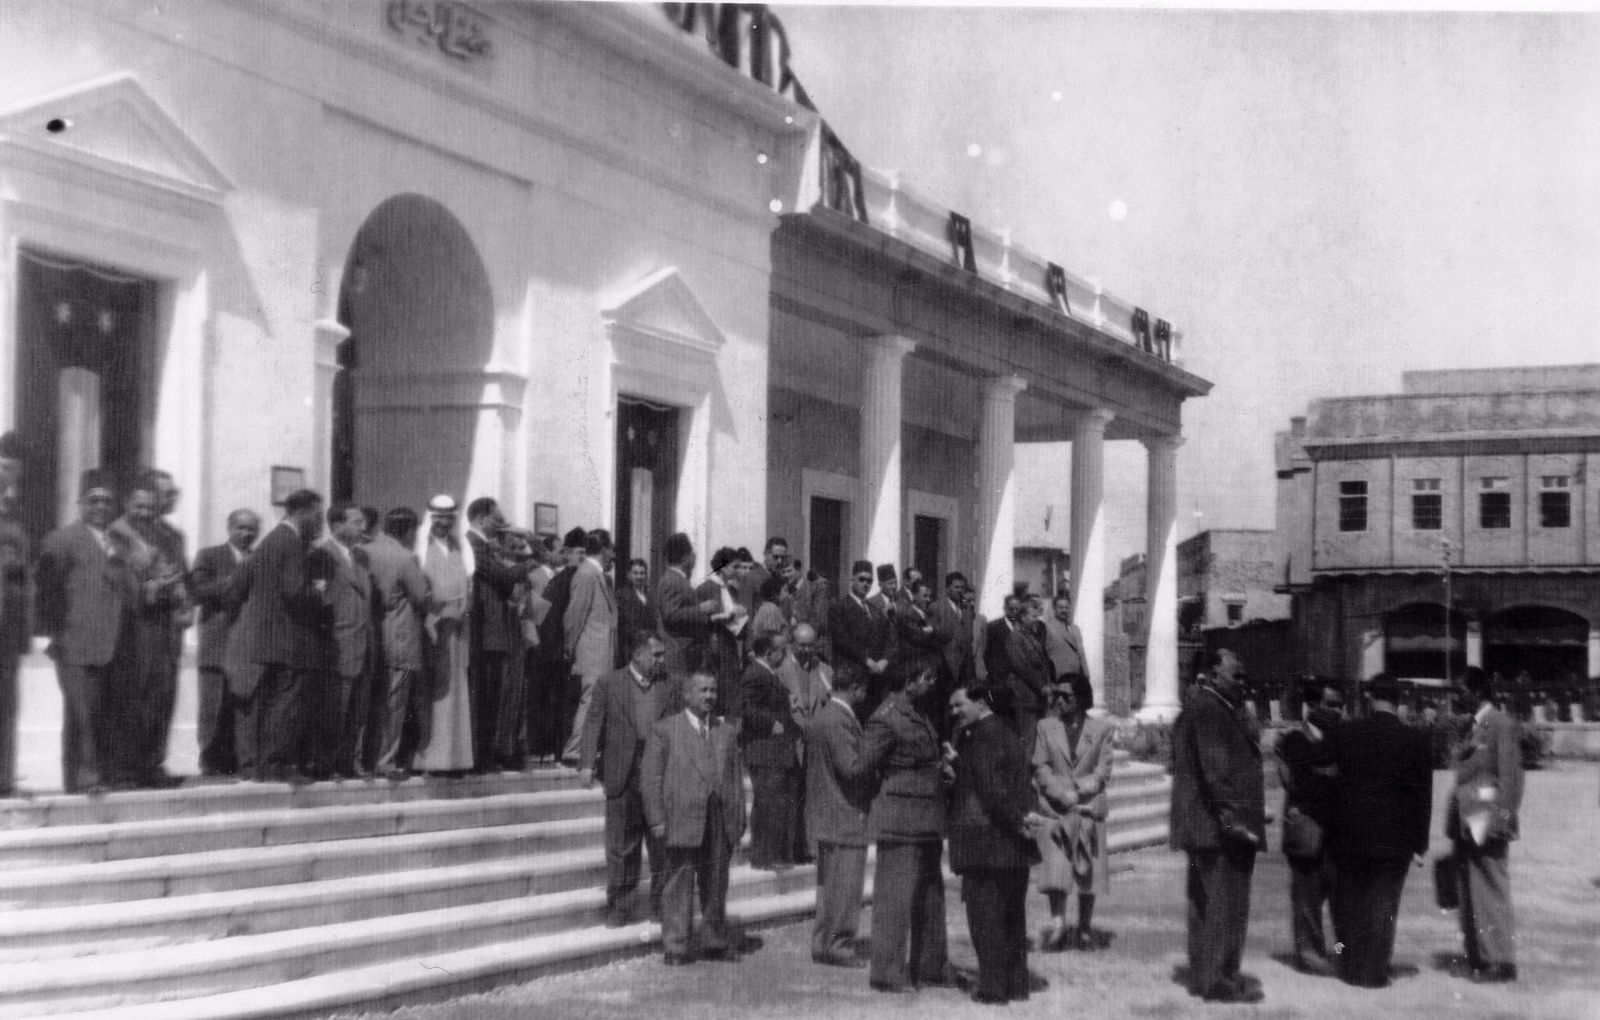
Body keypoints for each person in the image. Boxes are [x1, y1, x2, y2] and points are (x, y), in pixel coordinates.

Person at [1169, 647, 1266, 1004]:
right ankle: (1218, 981)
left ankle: (1210, 976)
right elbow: (1215, 771)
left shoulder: (1220, 707)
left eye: (1243, 675)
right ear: (1211, 675)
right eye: (1235, 674)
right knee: (1221, 905)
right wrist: (1235, 819)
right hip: (1219, 830)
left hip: (1211, 828)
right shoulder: (1209, 710)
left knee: (1211, 904)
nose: (1242, 681)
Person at [1324, 673, 1433, 988]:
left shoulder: (1346, 733)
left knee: (1350, 903)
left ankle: (1350, 964)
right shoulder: (1414, 739)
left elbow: (1330, 781)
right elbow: (1421, 797)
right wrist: (1419, 843)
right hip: (1394, 838)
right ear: (1400, 701)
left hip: (1350, 834)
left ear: (1370, 698)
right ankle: (1374, 970)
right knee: (1383, 906)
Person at [35, 469, 140, 792]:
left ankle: (101, 775)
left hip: (115, 645)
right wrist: (54, 635)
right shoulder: (63, 539)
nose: (101, 507)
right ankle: (84, 779)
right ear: (81, 504)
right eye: (94, 500)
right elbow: (46, 590)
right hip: (76, 642)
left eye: (108, 502)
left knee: (105, 714)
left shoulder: (122, 543)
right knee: (82, 715)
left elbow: (129, 591)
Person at [948, 681, 1044, 1005]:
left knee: (986, 919)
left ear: (979, 703)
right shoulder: (1005, 731)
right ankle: (1016, 984)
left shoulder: (983, 737)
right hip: (1012, 846)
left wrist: (1016, 820)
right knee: (1013, 919)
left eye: (960, 705)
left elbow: (991, 791)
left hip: (989, 843)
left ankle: (993, 988)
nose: (955, 712)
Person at [641, 671, 747, 966]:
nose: (709, 696)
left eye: (713, 690)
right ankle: (675, 946)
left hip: (718, 818)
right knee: (678, 883)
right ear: (686, 695)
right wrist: (656, 820)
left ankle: (714, 940)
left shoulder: (726, 732)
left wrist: (738, 818)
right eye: (702, 691)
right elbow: (650, 780)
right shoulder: (665, 730)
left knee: (716, 883)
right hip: (681, 817)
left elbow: (735, 780)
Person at [226, 487, 330, 784]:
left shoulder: (271, 540)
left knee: (275, 704)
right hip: (285, 638)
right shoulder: (289, 541)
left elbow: (242, 584)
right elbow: (295, 590)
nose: (320, 523)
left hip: (270, 638)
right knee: (285, 704)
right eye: (317, 516)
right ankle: (277, 765)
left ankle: (270, 764)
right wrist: (319, 593)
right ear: (303, 512)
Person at [861, 657, 949, 993]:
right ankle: (887, 972)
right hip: (900, 818)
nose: (931, 683)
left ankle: (931, 967)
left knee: (931, 897)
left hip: (926, 816)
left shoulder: (919, 711)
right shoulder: (886, 718)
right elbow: (861, 767)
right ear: (908, 681)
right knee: (895, 899)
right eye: (927, 677)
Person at [579, 633, 677, 926]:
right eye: (656, 655)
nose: (662, 660)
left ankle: (661, 905)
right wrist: (586, 764)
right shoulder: (610, 683)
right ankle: (621, 904)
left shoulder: (669, 686)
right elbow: (594, 721)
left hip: (657, 773)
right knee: (622, 845)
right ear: (637, 655)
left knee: (661, 845)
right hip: (623, 772)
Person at [1446, 666, 1524, 984]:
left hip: (1486, 819)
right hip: (1469, 820)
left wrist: (1501, 820)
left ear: (1477, 691)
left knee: (1490, 889)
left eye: (1460, 690)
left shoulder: (1500, 724)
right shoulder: (1474, 726)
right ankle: (1480, 955)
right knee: (1471, 892)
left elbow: (1511, 778)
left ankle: (1501, 961)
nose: (1455, 696)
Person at [114, 473, 189, 787]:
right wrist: (149, 588)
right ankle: (129, 768)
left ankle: (154, 764)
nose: (147, 511)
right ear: (129, 502)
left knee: (163, 696)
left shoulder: (169, 534)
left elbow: (182, 573)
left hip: (166, 626)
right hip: (133, 627)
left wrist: (184, 600)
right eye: (141, 505)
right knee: (135, 696)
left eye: (154, 503)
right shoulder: (117, 533)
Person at [1032, 674, 1115, 952]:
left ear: (1080, 699)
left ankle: (1085, 927)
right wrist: (1059, 793)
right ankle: (1057, 925)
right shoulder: (1046, 726)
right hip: (1055, 808)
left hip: (1087, 805)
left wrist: (1078, 790)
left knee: (1086, 869)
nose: (1059, 701)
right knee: (1056, 868)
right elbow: (1040, 766)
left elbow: (1102, 771)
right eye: (1056, 695)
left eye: (1065, 696)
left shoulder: (1102, 728)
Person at [803, 666, 876, 968]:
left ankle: (824, 942)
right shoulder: (839, 720)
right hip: (844, 812)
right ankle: (839, 944)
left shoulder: (824, 715)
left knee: (829, 888)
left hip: (828, 812)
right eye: (865, 690)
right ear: (856, 687)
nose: (866, 696)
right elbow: (852, 768)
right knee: (845, 887)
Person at [1274, 680, 1343, 976]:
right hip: (1308, 832)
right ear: (1312, 705)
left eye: (1341, 705)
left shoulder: (1343, 738)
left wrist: (1321, 773)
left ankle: (1340, 952)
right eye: (1331, 704)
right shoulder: (1292, 740)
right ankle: (1310, 954)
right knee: (1307, 899)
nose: (1338, 711)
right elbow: (1298, 783)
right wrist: (1330, 775)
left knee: (1342, 902)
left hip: (1340, 833)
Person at [187, 509, 260, 778]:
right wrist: (235, 579)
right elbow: (196, 591)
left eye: (252, 528)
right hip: (217, 644)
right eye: (241, 527)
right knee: (212, 708)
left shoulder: (260, 558)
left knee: (243, 707)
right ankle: (210, 762)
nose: (246, 533)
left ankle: (243, 762)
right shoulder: (209, 555)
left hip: (247, 646)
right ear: (229, 528)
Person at [465, 497, 533, 773]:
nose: (501, 525)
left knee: (493, 699)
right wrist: (529, 562)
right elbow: (502, 577)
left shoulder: (484, 546)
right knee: (485, 699)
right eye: (497, 520)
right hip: (486, 633)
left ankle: (489, 754)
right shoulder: (474, 544)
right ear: (481, 518)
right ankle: (482, 756)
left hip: (498, 633)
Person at [365, 506, 430, 779]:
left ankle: (365, 758)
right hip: (400, 634)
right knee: (394, 703)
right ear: (408, 531)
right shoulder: (405, 558)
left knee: (370, 702)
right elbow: (422, 597)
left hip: (372, 633)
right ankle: (386, 760)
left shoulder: (365, 550)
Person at [312, 503, 376, 779]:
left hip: (363, 647)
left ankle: (350, 761)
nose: (364, 527)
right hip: (337, 646)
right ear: (336, 526)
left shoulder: (361, 558)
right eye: (357, 522)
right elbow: (318, 602)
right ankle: (328, 764)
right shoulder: (321, 556)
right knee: (333, 711)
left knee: (356, 711)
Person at [414, 495, 474, 774]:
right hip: (433, 632)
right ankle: (431, 759)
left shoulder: (457, 548)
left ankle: (455, 759)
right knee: (435, 696)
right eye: (438, 517)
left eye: (448, 517)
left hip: (458, 633)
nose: (443, 522)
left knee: (456, 694)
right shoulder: (422, 549)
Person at [735, 631, 803, 871]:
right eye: (781, 650)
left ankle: (773, 854)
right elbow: (746, 707)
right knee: (768, 803)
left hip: (776, 750)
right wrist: (769, 722)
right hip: (764, 750)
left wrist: (788, 702)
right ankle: (765, 856)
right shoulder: (755, 673)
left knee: (775, 802)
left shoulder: (767, 673)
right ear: (768, 652)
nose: (785, 654)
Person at [562, 528, 618, 765]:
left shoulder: (597, 575)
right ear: (604, 550)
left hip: (600, 652)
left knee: (596, 702)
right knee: (590, 701)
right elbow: (574, 616)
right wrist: (569, 648)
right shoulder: (587, 574)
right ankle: (574, 750)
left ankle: (585, 748)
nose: (614, 554)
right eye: (611, 548)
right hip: (591, 651)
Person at [0, 434, 28, 795]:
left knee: (6, 709)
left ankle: (4, 778)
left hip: (7, 633)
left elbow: (22, 582)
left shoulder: (15, 529)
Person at [830, 560, 890, 717]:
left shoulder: (874, 610)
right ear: (852, 580)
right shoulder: (840, 608)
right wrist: (866, 660)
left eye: (869, 581)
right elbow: (841, 640)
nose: (866, 584)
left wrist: (885, 660)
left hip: (875, 680)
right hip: (853, 678)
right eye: (861, 579)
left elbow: (888, 639)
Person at [695, 547, 746, 717]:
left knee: (730, 694)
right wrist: (724, 616)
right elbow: (698, 621)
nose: (738, 571)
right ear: (723, 567)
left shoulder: (731, 590)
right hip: (714, 649)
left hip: (729, 647)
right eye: (735, 567)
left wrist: (738, 613)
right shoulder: (705, 588)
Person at [657, 532, 715, 676]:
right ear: (685, 559)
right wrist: (701, 609)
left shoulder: (678, 579)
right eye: (691, 555)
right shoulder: (672, 580)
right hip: (680, 653)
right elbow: (671, 614)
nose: (694, 558)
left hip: (687, 653)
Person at [1003, 596, 1051, 752]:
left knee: (1038, 741)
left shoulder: (1032, 636)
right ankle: (1024, 775)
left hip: (1036, 698)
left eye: (1037, 616)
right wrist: (1041, 686)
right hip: (1025, 696)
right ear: (1023, 617)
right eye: (1033, 616)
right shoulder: (1016, 637)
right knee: (1027, 740)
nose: (1036, 620)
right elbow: (1022, 666)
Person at [615, 558, 659, 669]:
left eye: (642, 573)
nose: (639, 577)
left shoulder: (650, 596)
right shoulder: (622, 595)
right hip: (630, 648)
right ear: (629, 575)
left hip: (649, 647)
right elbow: (625, 624)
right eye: (635, 573)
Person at [1041, 593, 1088, 684]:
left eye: (1066, 608)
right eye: (1061, 608)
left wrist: (1086, 673)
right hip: (1059, 678)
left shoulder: (1075, 629)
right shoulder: (1047, 627)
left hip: (1077, 677)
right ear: (1054, 609)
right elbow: (1043, 656)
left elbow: (1081, 653)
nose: (1064, 610)